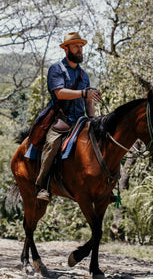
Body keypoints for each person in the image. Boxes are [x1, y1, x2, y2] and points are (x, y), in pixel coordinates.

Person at [35, 32, 103, 202]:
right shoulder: (56, 69)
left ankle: (104, 186)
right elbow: (59, 93)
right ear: (66, 49)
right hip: (61, 119)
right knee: (52, 144)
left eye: (81, 46)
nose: (80, 50)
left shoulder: (84, 75)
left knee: (103, 141)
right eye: (76, 46)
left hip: (81, 120)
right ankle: (43, 185)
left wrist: (93, 118)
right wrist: (83, 92)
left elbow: (87, 100)